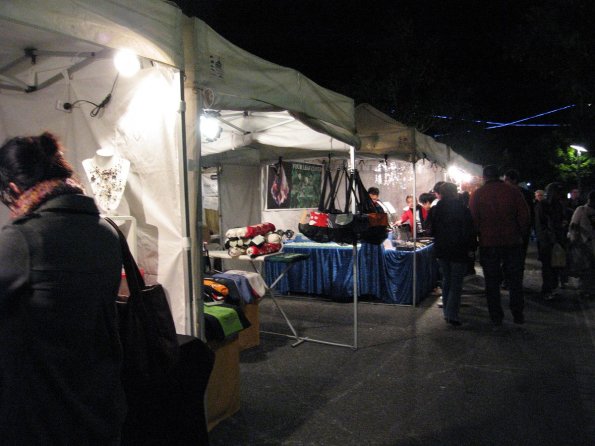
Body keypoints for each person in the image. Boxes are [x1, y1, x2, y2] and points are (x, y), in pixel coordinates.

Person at [0, 133, 126, 444]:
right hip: (99, 401)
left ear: (13, 189)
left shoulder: (22, 240)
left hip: (42, 410)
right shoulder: (106, 234)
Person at [469, 165, 531, 325]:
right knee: (515, 280)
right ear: (500, 176)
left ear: (484, 177)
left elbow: (474, 220)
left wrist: (476, 238)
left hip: (488, 243)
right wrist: (520, 235)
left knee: (491, 281)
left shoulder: (477, 194)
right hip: (512, 242)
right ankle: (518, 313)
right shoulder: (513, 192)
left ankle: (496, 316)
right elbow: (524, 216)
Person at [425, 182, 476, 326]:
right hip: (458, 249)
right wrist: (471, 247)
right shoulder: (462, 208)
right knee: (456, 282)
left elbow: (431, 229)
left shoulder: (436, 208)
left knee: (447, 280)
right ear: (454, 192)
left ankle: (447, 311)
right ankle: (452, 313)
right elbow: (468, 230)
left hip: (442, 248)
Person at [534, 182, 570, 300]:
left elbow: (560, 220)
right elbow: (540, 226)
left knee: (556, 266)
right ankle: (547, 290)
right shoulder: (542, 205)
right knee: (547, 267)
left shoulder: (558, 205)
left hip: (557, 240)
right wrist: (549, 238)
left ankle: (553, 287)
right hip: (547, 242)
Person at [567, 190, 595, 297]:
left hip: (590, 242)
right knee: (586, 268)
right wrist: (574, 240)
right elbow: (573, 225)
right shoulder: (582, 210)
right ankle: (585, 289)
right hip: (584, 243)